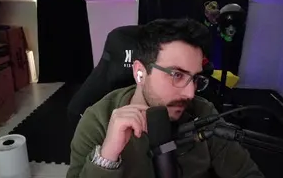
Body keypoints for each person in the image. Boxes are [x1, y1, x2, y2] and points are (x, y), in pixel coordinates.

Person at [67, 19, 262, 178]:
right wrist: (107, 157)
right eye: (177, 75)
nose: (190, 94)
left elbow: (247, 173)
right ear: (140, 72)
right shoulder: (97, 121)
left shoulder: (203, 112)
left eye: (195, 78)